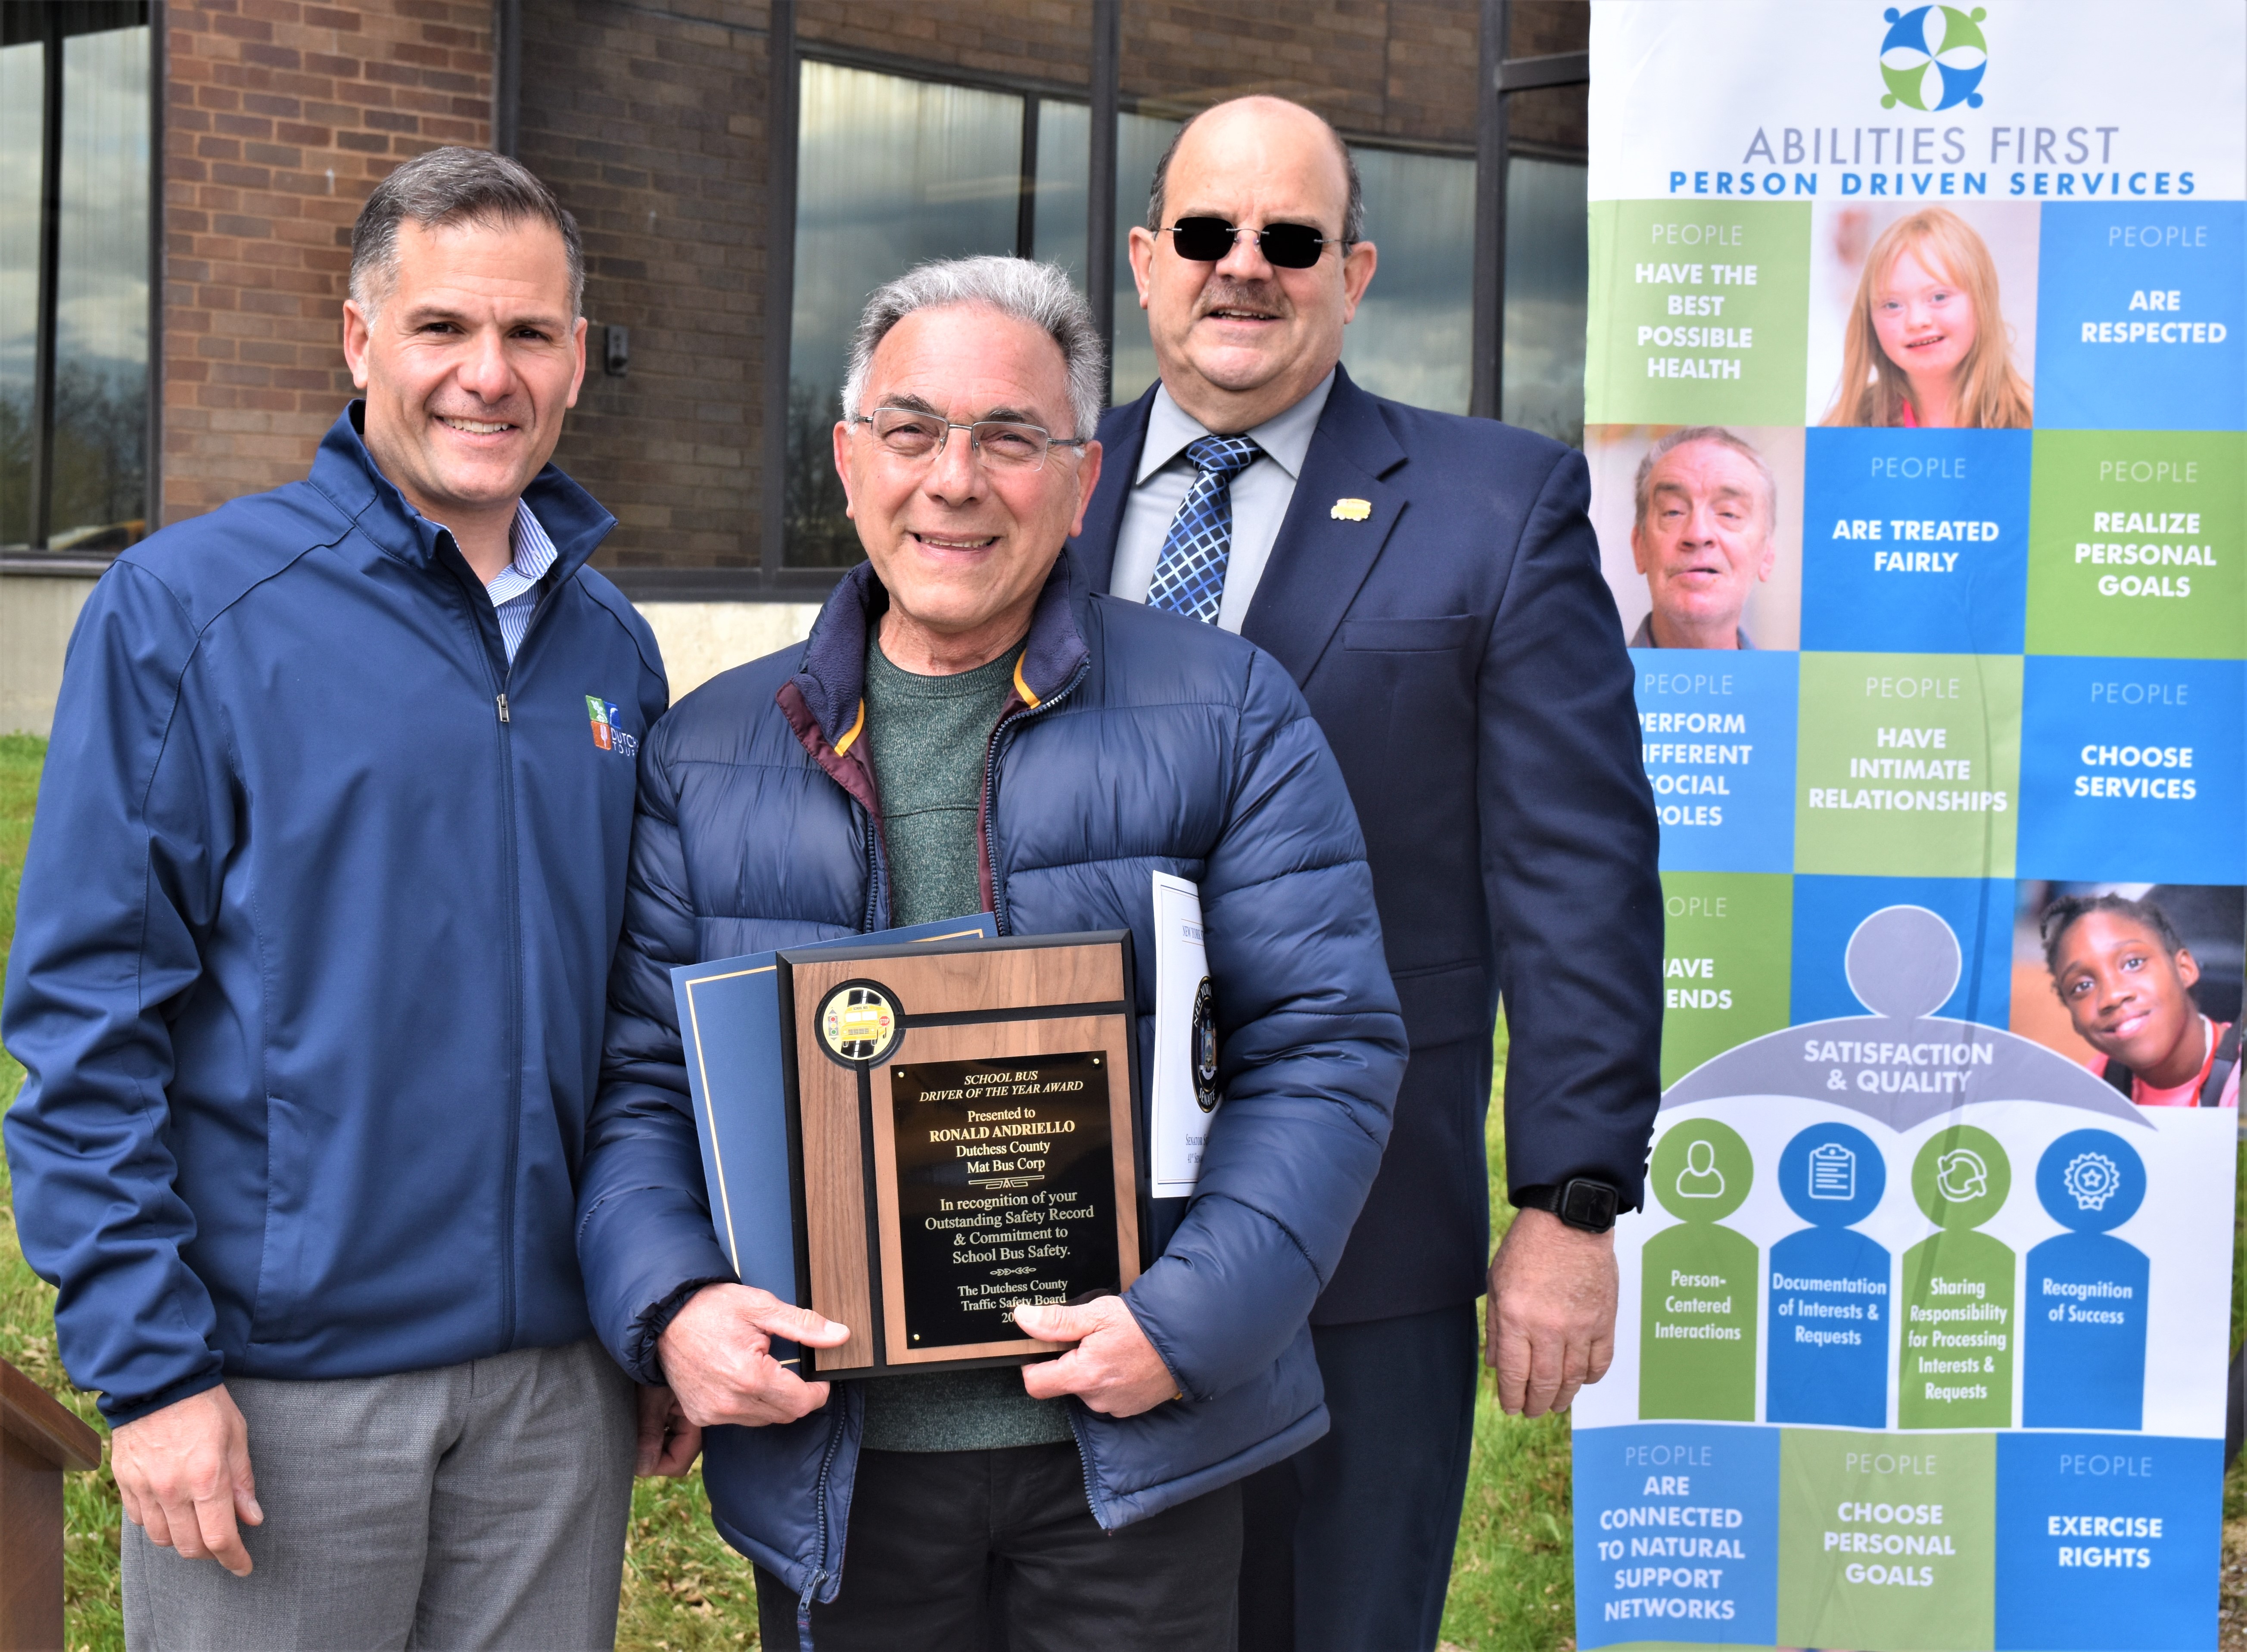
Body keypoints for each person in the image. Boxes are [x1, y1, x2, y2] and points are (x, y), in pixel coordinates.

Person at [576, 255, 1406, 1652]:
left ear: (1083, 479)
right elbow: (640, 1085)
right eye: (911, 430)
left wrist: (1185, 1326)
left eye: (1009, 436)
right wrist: (673, 1304)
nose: (953, 478)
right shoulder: (709, 750)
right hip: (843, 1460)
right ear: (847, 460)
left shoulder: (1230, 714)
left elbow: (1323, 1047)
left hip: (1132, 1454)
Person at [2, 148, 673, 1649]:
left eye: (530, 335)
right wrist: (156, 1371)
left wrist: (652, 1302)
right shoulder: (191, 613)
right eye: (442, 328)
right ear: (360, 340)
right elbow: (86, 1019)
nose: (485, 375)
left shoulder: (611, 652)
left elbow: (640, 1013)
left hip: (555, 1391)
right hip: (281, 1392)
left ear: (577, 361)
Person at [1068, 95, 1663, 1652]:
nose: (1243, 269)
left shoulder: (1495, 506)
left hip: (1367, 1226)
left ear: (1355, 268)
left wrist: (1569, 1197)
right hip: (1064, 1212)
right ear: (1146, 262)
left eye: (1291, 239)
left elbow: (1577, 865)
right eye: (1207, 234)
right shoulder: (1029, 492)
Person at [1822, 206, 2032, 429]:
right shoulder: (1843, 430)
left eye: (1939, 297)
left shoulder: (2035, 424)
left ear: (1983, 301)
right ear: (1870, 321)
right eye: (1892, 305)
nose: (1917, 321)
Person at [2042, 893, 2240, 1108]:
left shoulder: (2238, 1083)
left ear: (2184, 969)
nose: (2113, 996)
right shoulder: (2097, 1089)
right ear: (2075, 1020)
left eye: (2134, 963)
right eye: (2083, 986)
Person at [1627, 425, 1779, 650]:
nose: (1698, 535)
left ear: (1766, 554)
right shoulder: (1587, 683)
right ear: (1640, 548)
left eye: (1729, 513)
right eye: (1673, 512)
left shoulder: (1794, 685)